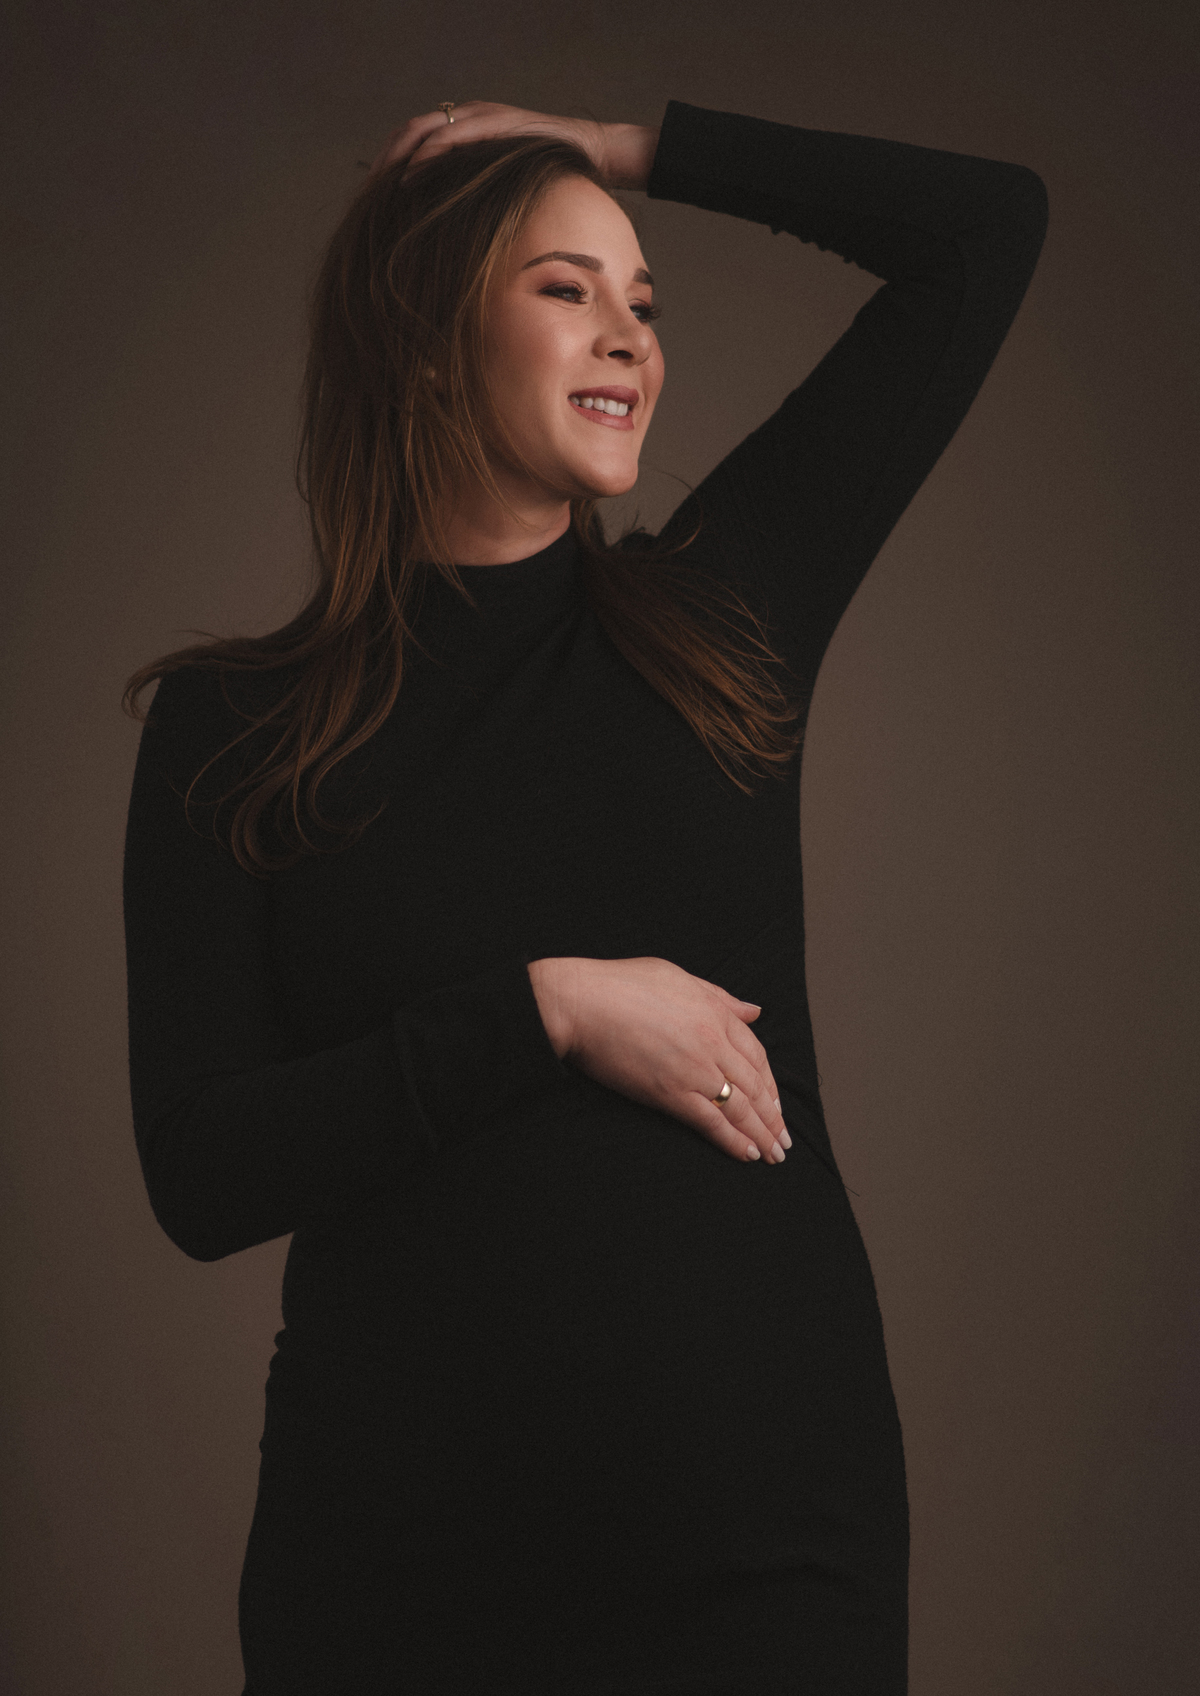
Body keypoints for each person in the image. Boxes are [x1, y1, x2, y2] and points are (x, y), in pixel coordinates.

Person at [121, 97, 1048, 1694]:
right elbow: (201, 1172)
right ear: (426, 338)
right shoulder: (237, 726)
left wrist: (618, 144)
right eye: (565, 288)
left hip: (759, 1544)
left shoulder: (720, 619)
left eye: (644, 300)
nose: (629, 335)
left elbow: (985, 231)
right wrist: (541, 1012)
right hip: (397, 1559)